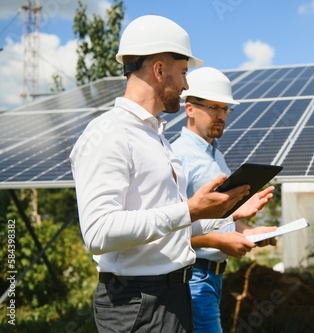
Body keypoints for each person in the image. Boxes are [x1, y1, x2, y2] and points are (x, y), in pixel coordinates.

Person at [69, 16, 252, 333]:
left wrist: (222, 210)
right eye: (183, 73)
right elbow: (98, 232)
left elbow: (169, 222)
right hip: (138, 302)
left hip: (173, 295)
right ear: (158, 70)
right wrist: (190, 209)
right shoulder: (108, 134)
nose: (185, 86)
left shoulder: (157, 138)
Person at [171, 67, 278, 333]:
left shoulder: (215, 156)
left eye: (225, 109)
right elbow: (169, 228)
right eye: (213, 108)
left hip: (213, 276)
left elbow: (218, 220)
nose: (221, 116)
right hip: (192, 275)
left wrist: (249, 233)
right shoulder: (177, 157)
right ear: (190, 108)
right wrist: (219, 240)